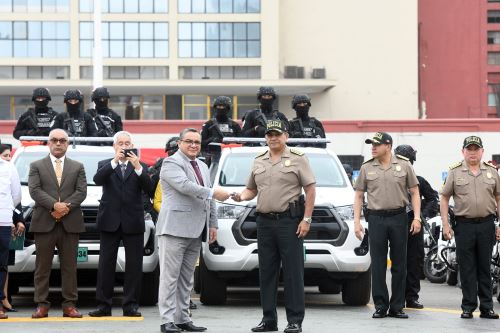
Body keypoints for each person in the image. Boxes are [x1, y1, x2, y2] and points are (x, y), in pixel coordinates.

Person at [232, 120, 316, 333]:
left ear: (286, 136)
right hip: (264, 223)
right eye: (269, 134)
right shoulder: (259, 160)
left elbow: (310, 189)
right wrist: (241, 196)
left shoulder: (298, 159)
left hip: (290, 222)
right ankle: (269, 319)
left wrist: (306, 219)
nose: (273, 138)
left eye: (277, 134)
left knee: (292, 273)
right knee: (266, 273)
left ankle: (294, 320)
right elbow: (251, 190)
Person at [156, 128, 230, 333]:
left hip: (197, 229)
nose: (193, 145)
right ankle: (167, 321)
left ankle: (182, 318)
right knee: (170, 278)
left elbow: (209, 199)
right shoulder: (171, 163)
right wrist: (214, 192)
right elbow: (185, 186)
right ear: (179, 143)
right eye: (189, 141)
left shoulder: (204, 166)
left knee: (187, 278)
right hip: (174, 229)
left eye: (197, 142)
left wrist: (213, 223)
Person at [353, 132, 421, 319]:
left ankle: (397, 306)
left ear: (388, 146)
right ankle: (381, 306)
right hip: (376, 219)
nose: (373, 147)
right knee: (378, 264)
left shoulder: (404, 165)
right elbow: (359, 195)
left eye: (377, 144)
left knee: (400, 263)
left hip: (399, 217)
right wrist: (357, 221)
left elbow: (415, 192)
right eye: (371, 144)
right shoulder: (367, 167)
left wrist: (416, 218)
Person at [89, 131, 153, 317]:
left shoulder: (142, 166)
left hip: (133, 221)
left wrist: (138, 167)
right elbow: (97, 180)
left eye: (127, 143)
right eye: (120, 143)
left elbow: (149, 189)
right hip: (110, 221)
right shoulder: (105, 165)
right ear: (114, 146)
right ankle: (103, 305)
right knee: (105, 264)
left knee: (134, 265)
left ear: (132, 145)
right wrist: (115, 162)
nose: (124, 147)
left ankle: (131, 305)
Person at [28, 129, 87, 319]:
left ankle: (69, 305)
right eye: (54, 140)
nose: (58, 143)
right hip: (45, 222)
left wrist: (64, 208)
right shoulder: (36, 165)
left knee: (70, 267)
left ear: (67, 143)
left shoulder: (78, 166)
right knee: (42, 267)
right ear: (48, 142)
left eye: (62, 140)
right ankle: (41, 305)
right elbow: (35, 190)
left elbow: (81, 191)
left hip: (70, 223)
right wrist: (54, 205)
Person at [440, 135, 500, 320]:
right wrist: (445, 224)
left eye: (476, 149)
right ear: (463, 151)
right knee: (467, 268)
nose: (472, 152)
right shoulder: (455, 172)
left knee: (484, 267)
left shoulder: (492, 172)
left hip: (486, 224)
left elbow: (498, 197)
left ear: (482, 151)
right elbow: (444, 197)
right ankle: (468, 307)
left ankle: (487, 307)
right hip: (464, 226)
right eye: (469, 149)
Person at [394, 144, 439, 309]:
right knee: (398, 261)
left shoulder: (418, 181)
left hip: (414, 224)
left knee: (414, 260)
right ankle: (397, 296)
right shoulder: (390, 179)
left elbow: (433, 198)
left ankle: (411, 297)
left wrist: (421, 215)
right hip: (395, 223)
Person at [0, 144, 25, 313]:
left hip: (3, 221)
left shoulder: (8, 167)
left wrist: (10, 213)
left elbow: (16, 196)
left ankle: (0, 301)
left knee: (1, 265)